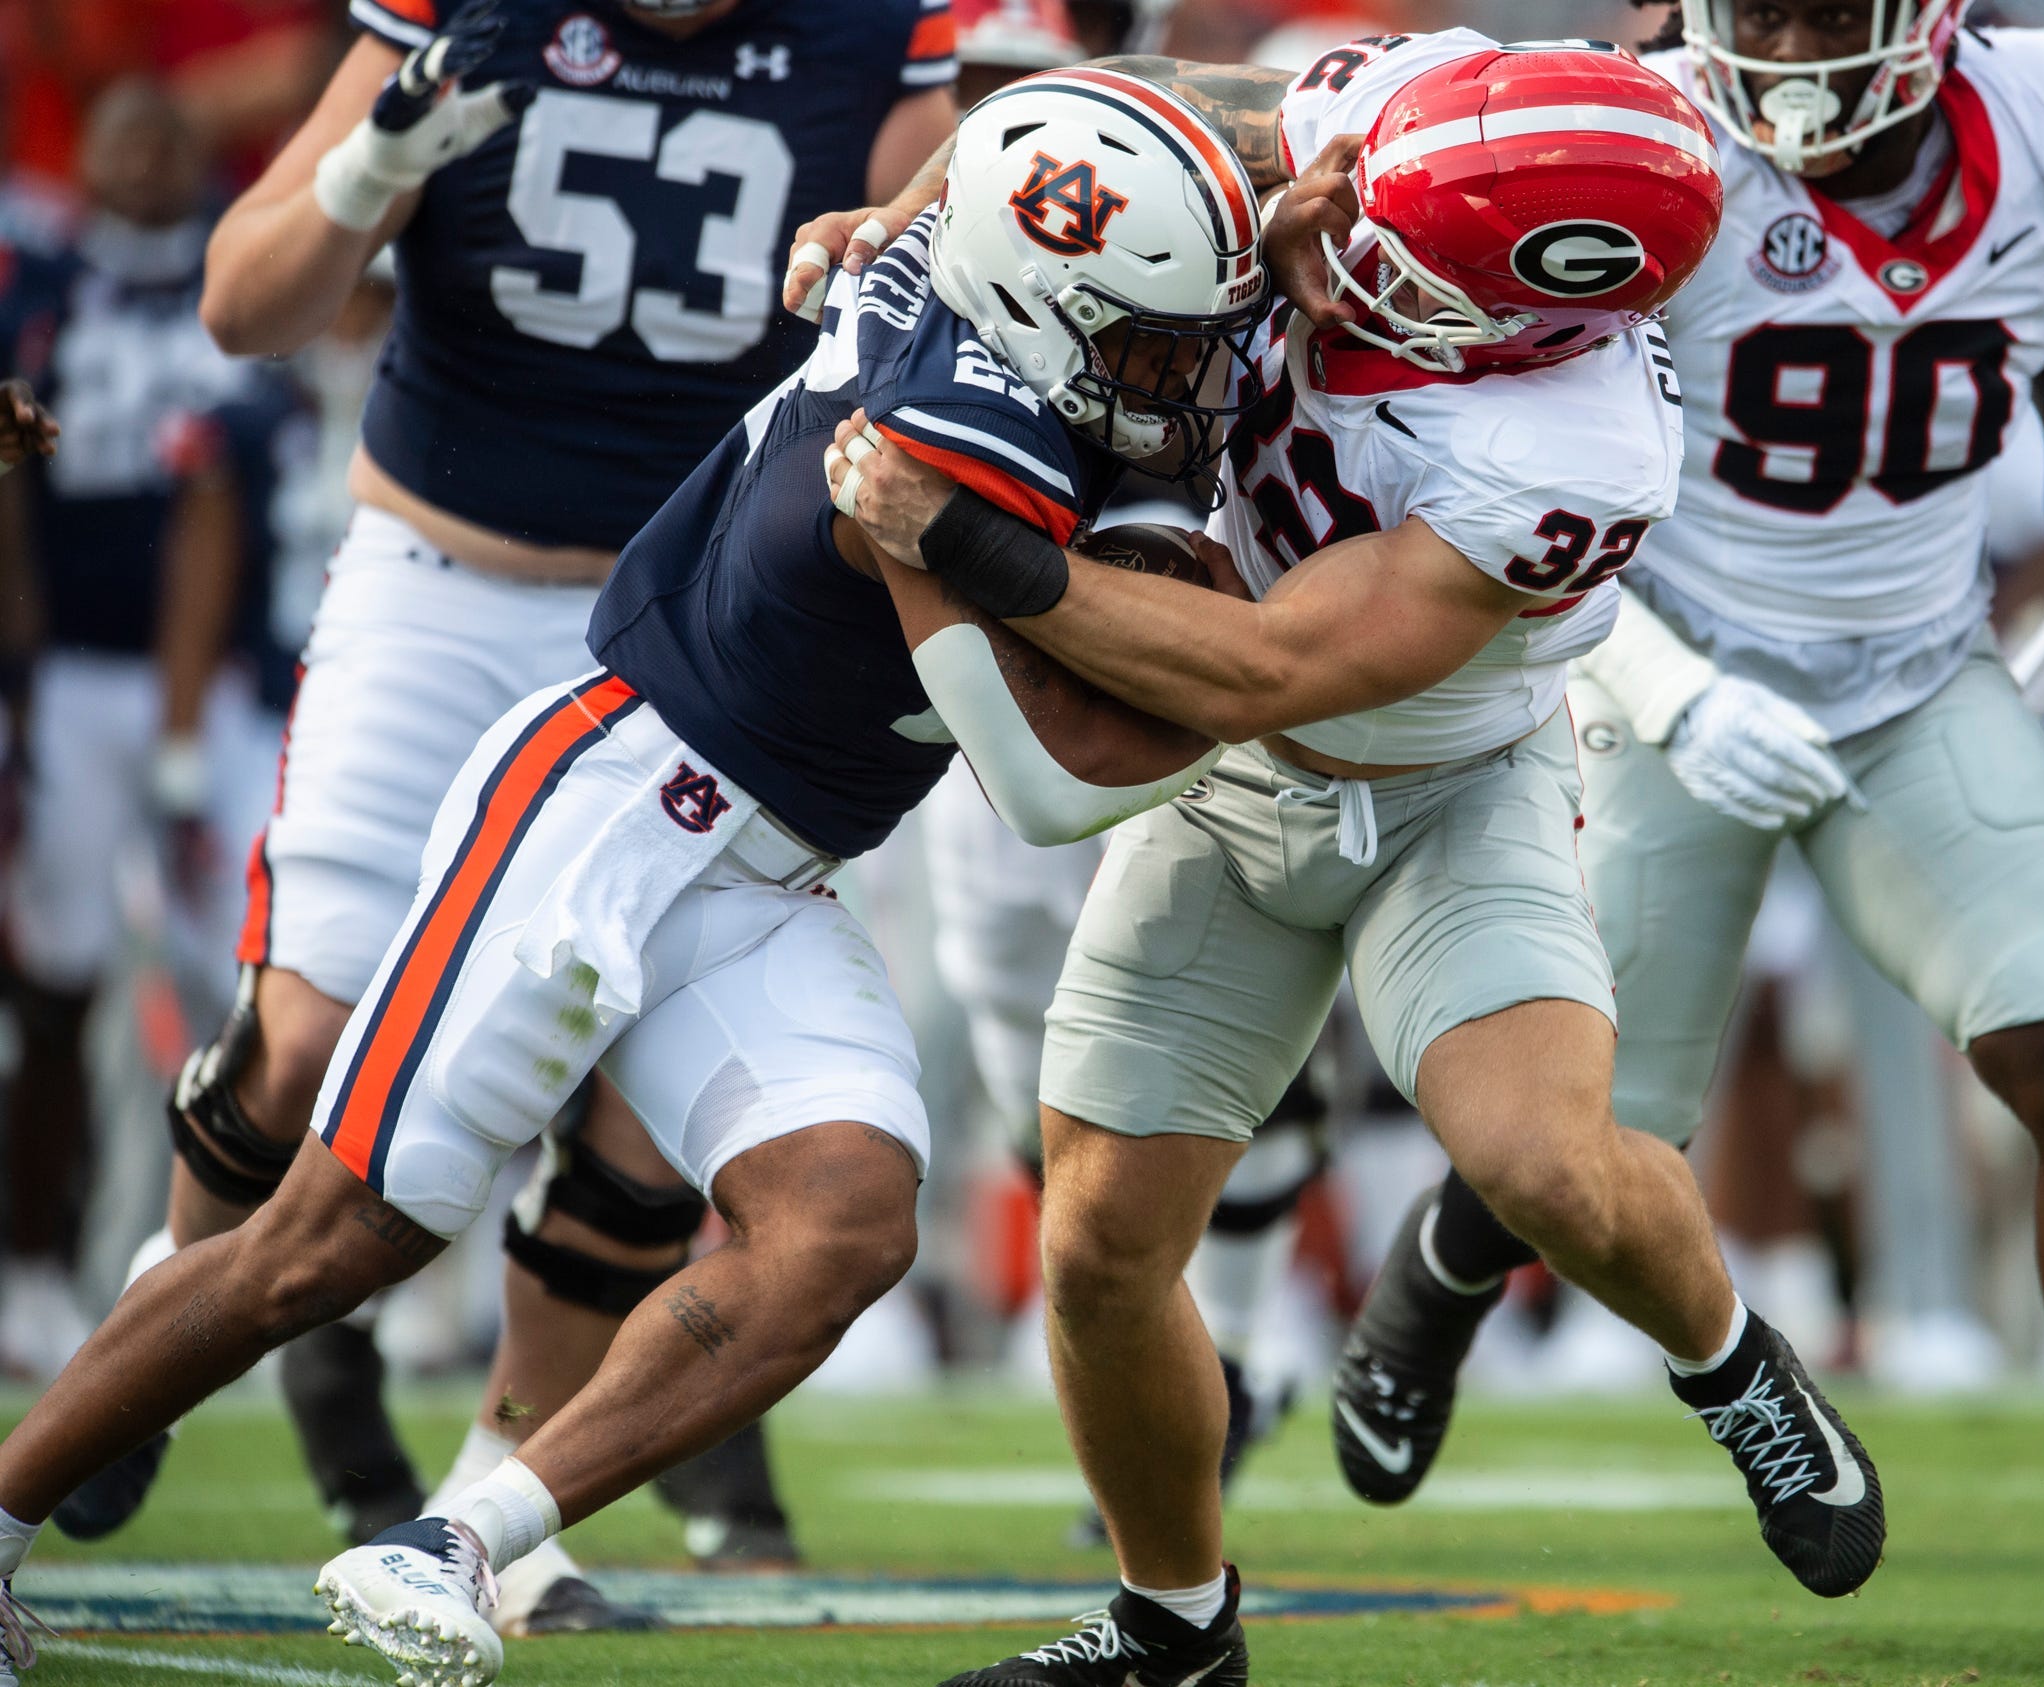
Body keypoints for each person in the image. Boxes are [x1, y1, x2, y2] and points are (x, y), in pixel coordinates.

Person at [0, 69, 1261, 1687]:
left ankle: (461, 1535)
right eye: (1158, 343)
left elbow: (1059, 111)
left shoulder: (954, 273)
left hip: (773, 860)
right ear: (1043, 308)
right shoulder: (954, 439)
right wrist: (1248, 694)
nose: (1193, 375)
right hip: (608, 807)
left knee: (843, 1221)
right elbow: (1041, 782)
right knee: (328, 1243)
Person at [837, 38, 1887, 1687]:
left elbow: (1270, 668)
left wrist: (965, 542)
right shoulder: (1404, 115)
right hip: (1228, 785)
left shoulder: (1572, 450)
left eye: (1400, 255)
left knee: (1540, 1161)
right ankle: (1174, 1628)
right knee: (1103, 1243)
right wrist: (902, 215)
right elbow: (1103, 102)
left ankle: (1734, 1362)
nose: (1341, 235)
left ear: (1544, 316)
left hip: (1446, 785)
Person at [1318, 0, 2044, 1672]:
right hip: (1655, 679)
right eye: (1756, 4)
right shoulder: (1636, 143)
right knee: (1573, 1149)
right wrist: (1670, 693)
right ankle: (1439, 1272)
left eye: (1818, 5)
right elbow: (1517, 472)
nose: (1784, 42)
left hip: (1919, 678)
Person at [54, 0, 959, 1626]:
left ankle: (499, 1511)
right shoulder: (477, 16)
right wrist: (365, 173)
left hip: (683, 624)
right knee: (312, 1042)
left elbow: (963, 271)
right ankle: (153, 1333)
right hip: (440, 588)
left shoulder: (874, 38)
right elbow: (246, 307)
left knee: (632, 1137)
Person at [0, 80, 255, 1383]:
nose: (148, 159)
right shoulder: (38, 283)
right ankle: (36, 1261)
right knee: (58, 979)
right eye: (123, 140)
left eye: (166, 135)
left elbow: (230, 490)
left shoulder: (238, 264)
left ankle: (244, 1267)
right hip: (74, 679)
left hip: (216, 688)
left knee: (253, 984)